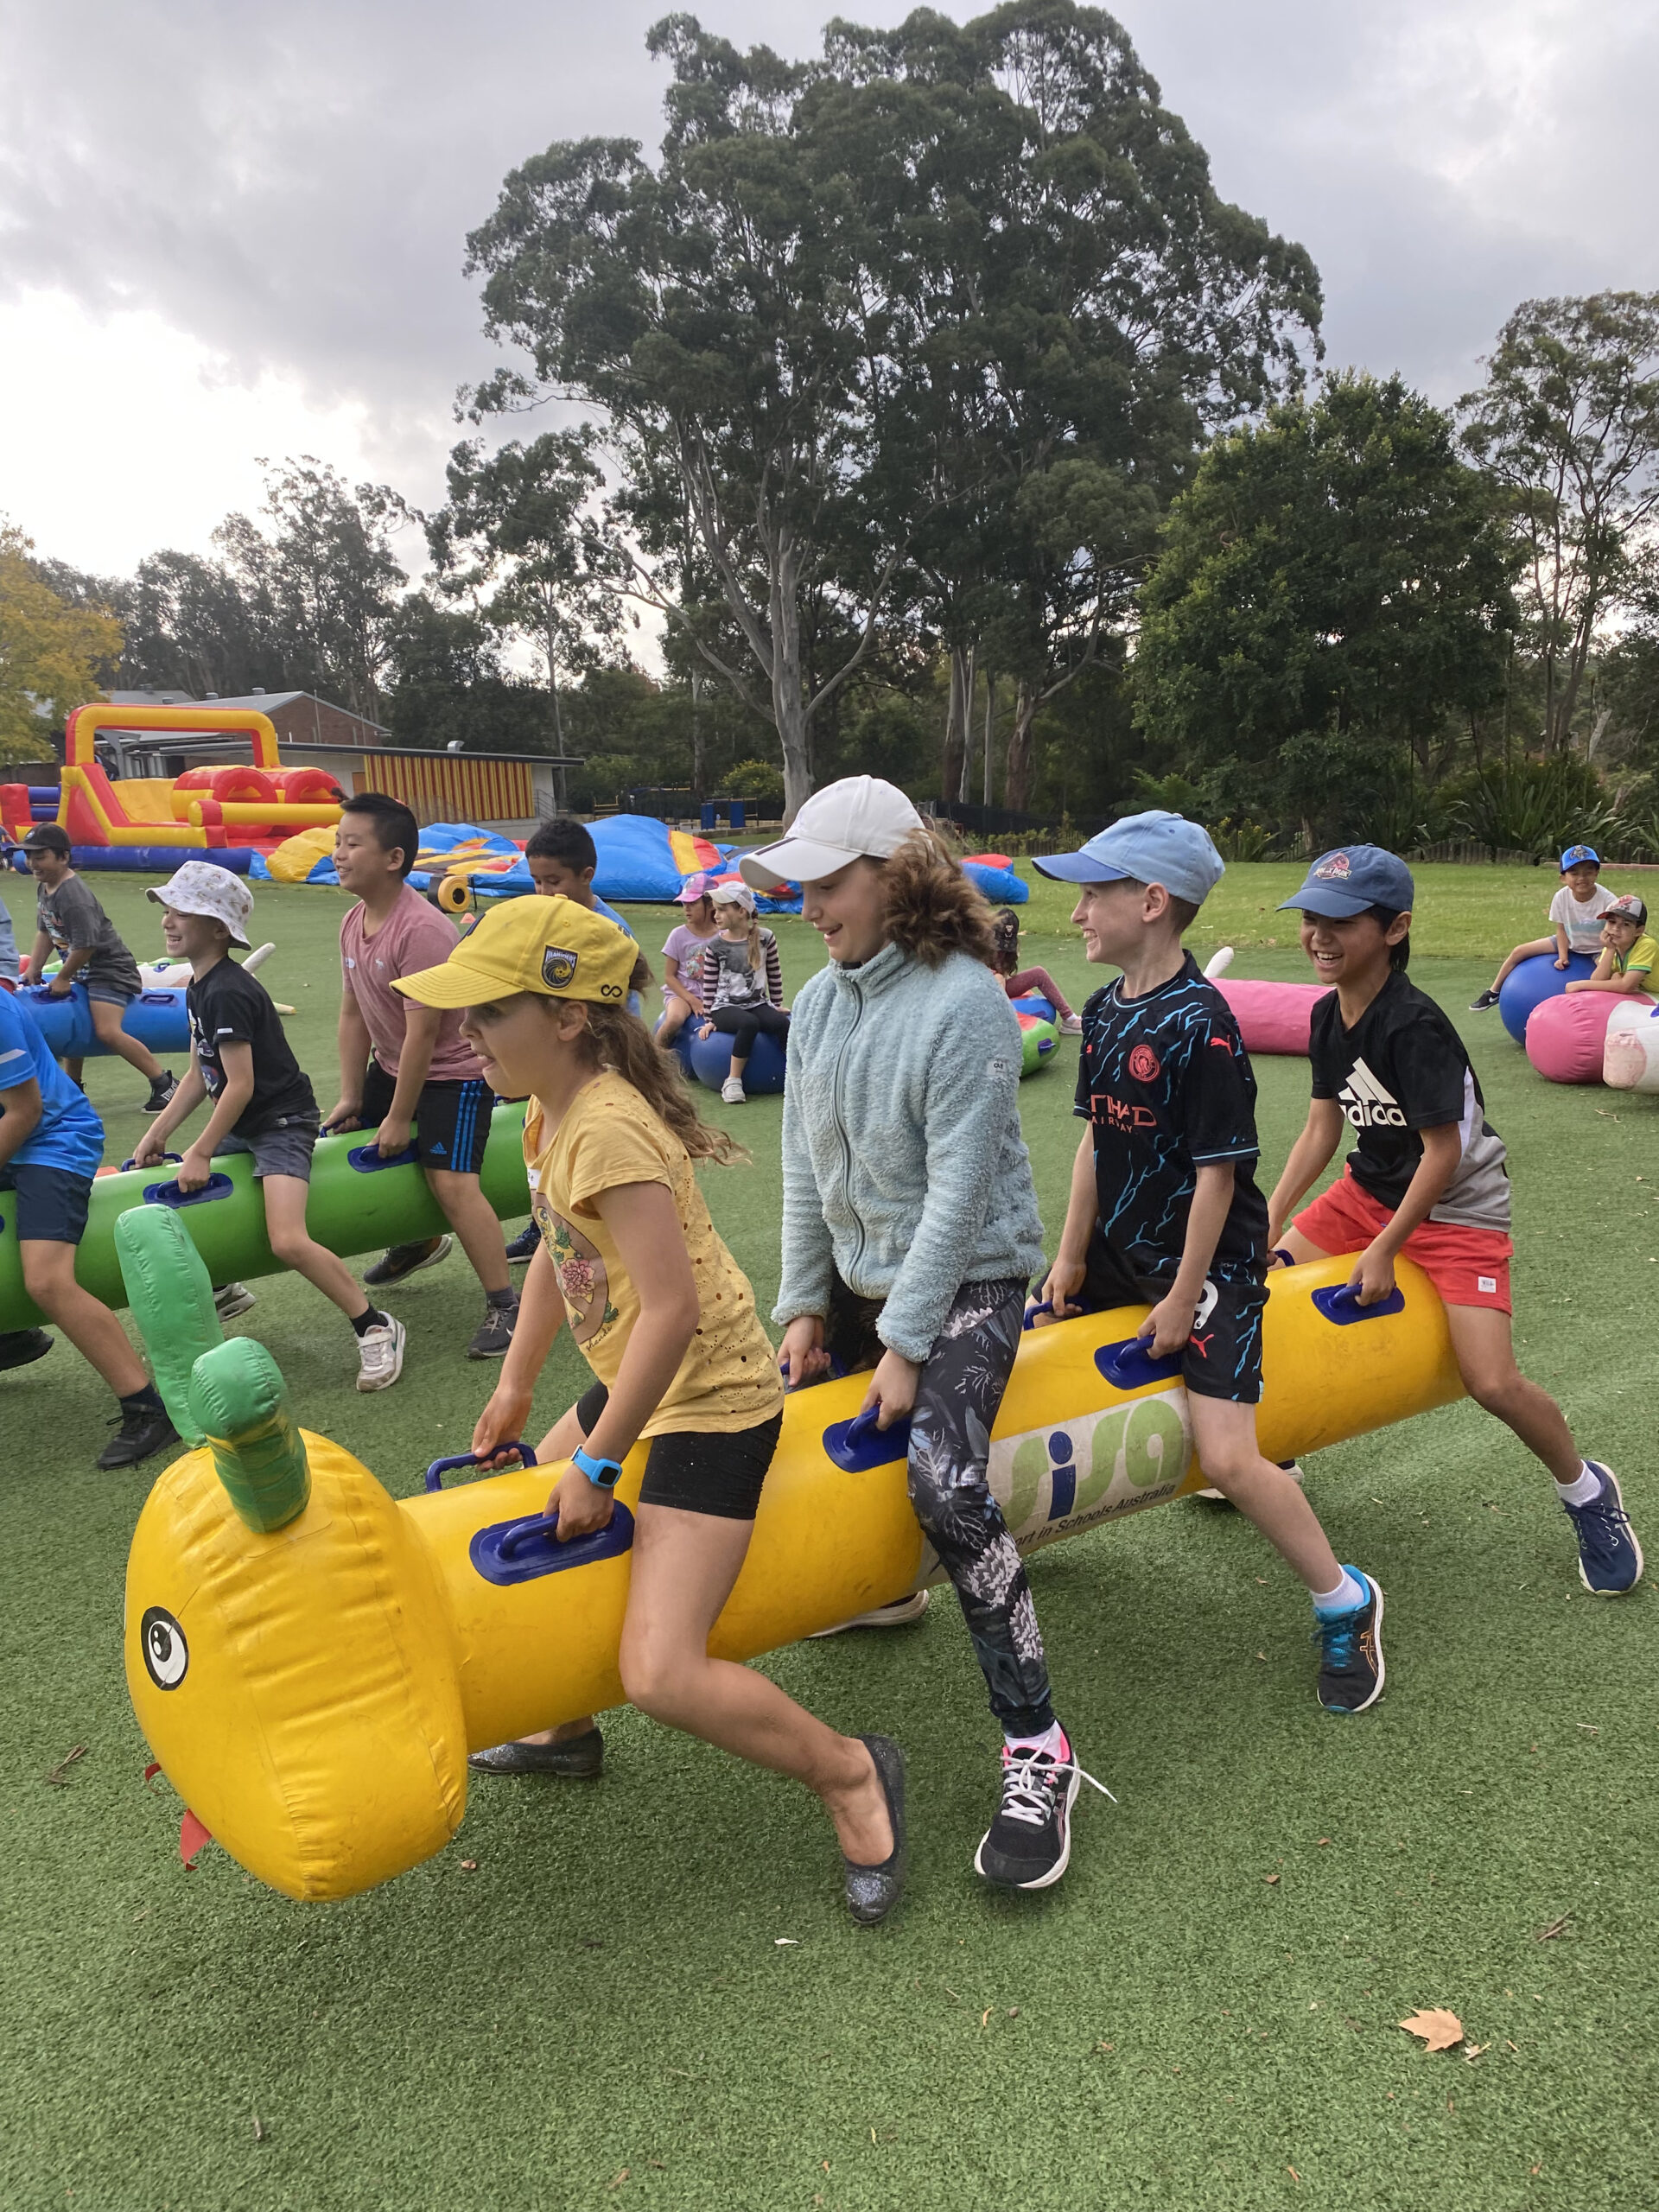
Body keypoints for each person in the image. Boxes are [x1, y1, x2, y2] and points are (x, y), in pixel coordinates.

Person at [400, 893, 906, 1923]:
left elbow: (673, 1316)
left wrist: (597, 1464)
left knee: (663, 1669)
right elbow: (558, 1246)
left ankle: (852, 1772)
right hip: (639, 1373)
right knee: (532, 1521)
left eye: (488, 1014)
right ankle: (563, 1724)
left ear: (568, 1018)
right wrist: (515, 1387)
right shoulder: (550, 1114)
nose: (466, 1035)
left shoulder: (612, 1130)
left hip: (711, 1398)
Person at [745, 774, 1105, 1892]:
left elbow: (956, 1199)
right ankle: (887, 1590)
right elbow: (806, 1168)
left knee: (945, 1483)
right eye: (798, 888)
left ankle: (1039, 1747)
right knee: (764, 1427)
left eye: (827, 883)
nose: (808, 907)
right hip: (863, 1284)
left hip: (974, 1284)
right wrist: (804, 1311)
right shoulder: (816, 1004)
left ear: (896, 880)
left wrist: (902, 1348)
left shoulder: (964, 1000)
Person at [1027, 812, 1387, 1715]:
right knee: (1024, 1342)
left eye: (1093, 894)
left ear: (1150, 903)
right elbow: (1092, 1147)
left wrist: (1186, 1300)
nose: (1077, 914)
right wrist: (1068, 1260)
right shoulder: (1105, 1010)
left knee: (1228, 1458)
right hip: (1121, 1247)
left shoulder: (1205, 1026)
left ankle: (1344, 1600)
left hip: (1209, 1261)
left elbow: (1220, 1178)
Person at [1268, 845, 1641, 1597]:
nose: (1320, 936)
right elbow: (1320, 1129)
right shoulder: (1325, 1013)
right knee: (1263, 1284)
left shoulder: (1415, 1025)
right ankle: (1273, 1449)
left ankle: (1588, 1492)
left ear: (1396, 928)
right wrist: (1267, 1219)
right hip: (1368, 1190)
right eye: (1311, 919)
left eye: (1341, 921)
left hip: (1460, 1206)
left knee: (1490, 1380)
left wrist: (1384, 1249)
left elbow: (1444, 1152)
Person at [130, 863, 406, 1393]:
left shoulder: (229, 991)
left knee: (286, 1238)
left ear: (217, 929)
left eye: (182, 911)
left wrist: (202, 1150)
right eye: (167, 908)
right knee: (184, 1198)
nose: (168, 919)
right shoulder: (198, 986)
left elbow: (239, 1085)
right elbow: (197, 1073)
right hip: (245, 1117)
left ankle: (373, 1325)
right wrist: (157, 1136)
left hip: (280, 1121)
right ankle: (222, 1287)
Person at [322, 792, 518, 1360]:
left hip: (454, 1077)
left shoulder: (422, 930)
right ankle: (417, 1239)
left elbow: (425, 1036)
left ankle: (506, 1303)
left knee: (453, 1184)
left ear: (393, 858)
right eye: (338, 841)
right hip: (393, 1064)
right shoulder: (354, 921)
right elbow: (353, 1011)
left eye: (352, 843)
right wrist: (356, 1097)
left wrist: (400, 1117)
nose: (338, 853)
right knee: (348, 1139)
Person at [0, 978, 176, 1459]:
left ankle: (147, 1407)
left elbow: (25, 1111)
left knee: (46, 1281)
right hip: (16, 1134)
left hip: (54, 1139)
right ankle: (11, 1336)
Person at [504, 816, 645, 1262]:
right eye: (536, 882)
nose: (543, 892)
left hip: (599, 1061)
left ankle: (603, 1231)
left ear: (586, 876)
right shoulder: (541, 921)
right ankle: (544, 1226)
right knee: (546, 1148)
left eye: (553, 881)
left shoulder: (610, 933)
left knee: (586, 1152)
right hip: (554, 1063)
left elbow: (620, 1012)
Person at [21, 824, 176, 1107]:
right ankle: (73, 1089)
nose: (32, 863)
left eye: (40, 856)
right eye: (28, 856)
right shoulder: (45, 887)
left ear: (63, 858)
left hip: (109, 971)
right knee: (71, 1022)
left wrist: (64, 977)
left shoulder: (73, 896)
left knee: (106, 1031)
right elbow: (45, 930)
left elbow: (87, 944)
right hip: (83, 971)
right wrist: (35, 967)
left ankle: (164, 1084)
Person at [1471, 845, 1618, 1009]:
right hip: (1570, 941)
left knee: (1609, 975)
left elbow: (1615, 931)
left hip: (1598, 948)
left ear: (1597, 873)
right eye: (1574, 873)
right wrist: (1563, 956)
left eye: (1588, 872)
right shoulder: (1561, 897)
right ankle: (1494, 992)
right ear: (1563, 878)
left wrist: (1607, 955)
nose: (1581, 878)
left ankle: (1611, 1007)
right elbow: (1561, 928)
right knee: (1519, 951)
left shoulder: (1608, 900)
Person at [696, 881, 789, 1103]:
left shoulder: (766, 938)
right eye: (715, 910)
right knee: (748, 1024)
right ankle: (733, 1081)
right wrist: (710, 1018)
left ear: (741, 911)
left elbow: (774, 973)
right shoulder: (715, 946)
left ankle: (796, 1074)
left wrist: (776, 1005)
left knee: (782, 1024)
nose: (715, 915)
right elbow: (709, 985)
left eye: (721, 909)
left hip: (757, 1003)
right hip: (724, 1008)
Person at [989, 906, 1083, 1033]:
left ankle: (1070, 1020)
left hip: (1000, 989)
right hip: (980, 989)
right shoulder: (976, 944)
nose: (1001, 950)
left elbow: (1004, 974)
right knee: (998, 978)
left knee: (1038, 973)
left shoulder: (1009, 952)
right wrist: (995, 976)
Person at [656, 873, 720, 1045]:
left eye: (692, 903)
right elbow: (669, 977)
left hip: (715, 994)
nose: (686, 908)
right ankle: (651, 1059)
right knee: (675, 1019)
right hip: (682, 994)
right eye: (685, 903)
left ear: (710, 904)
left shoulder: (723, 936)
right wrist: (692, 1000)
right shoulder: (678, 935)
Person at [1564, 895, 1659, 996]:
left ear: (1639, 931)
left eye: (1626, 924)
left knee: (1619, 981)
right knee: (1616, 977)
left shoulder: (1646, 945)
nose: (1616, 928)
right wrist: (1610, 950)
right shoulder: (1612, 945)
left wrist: (1581, 985)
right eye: (1611, 922)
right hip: (1648, 992)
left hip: (1655, 992)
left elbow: (1626, 986)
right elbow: (1598, 979)